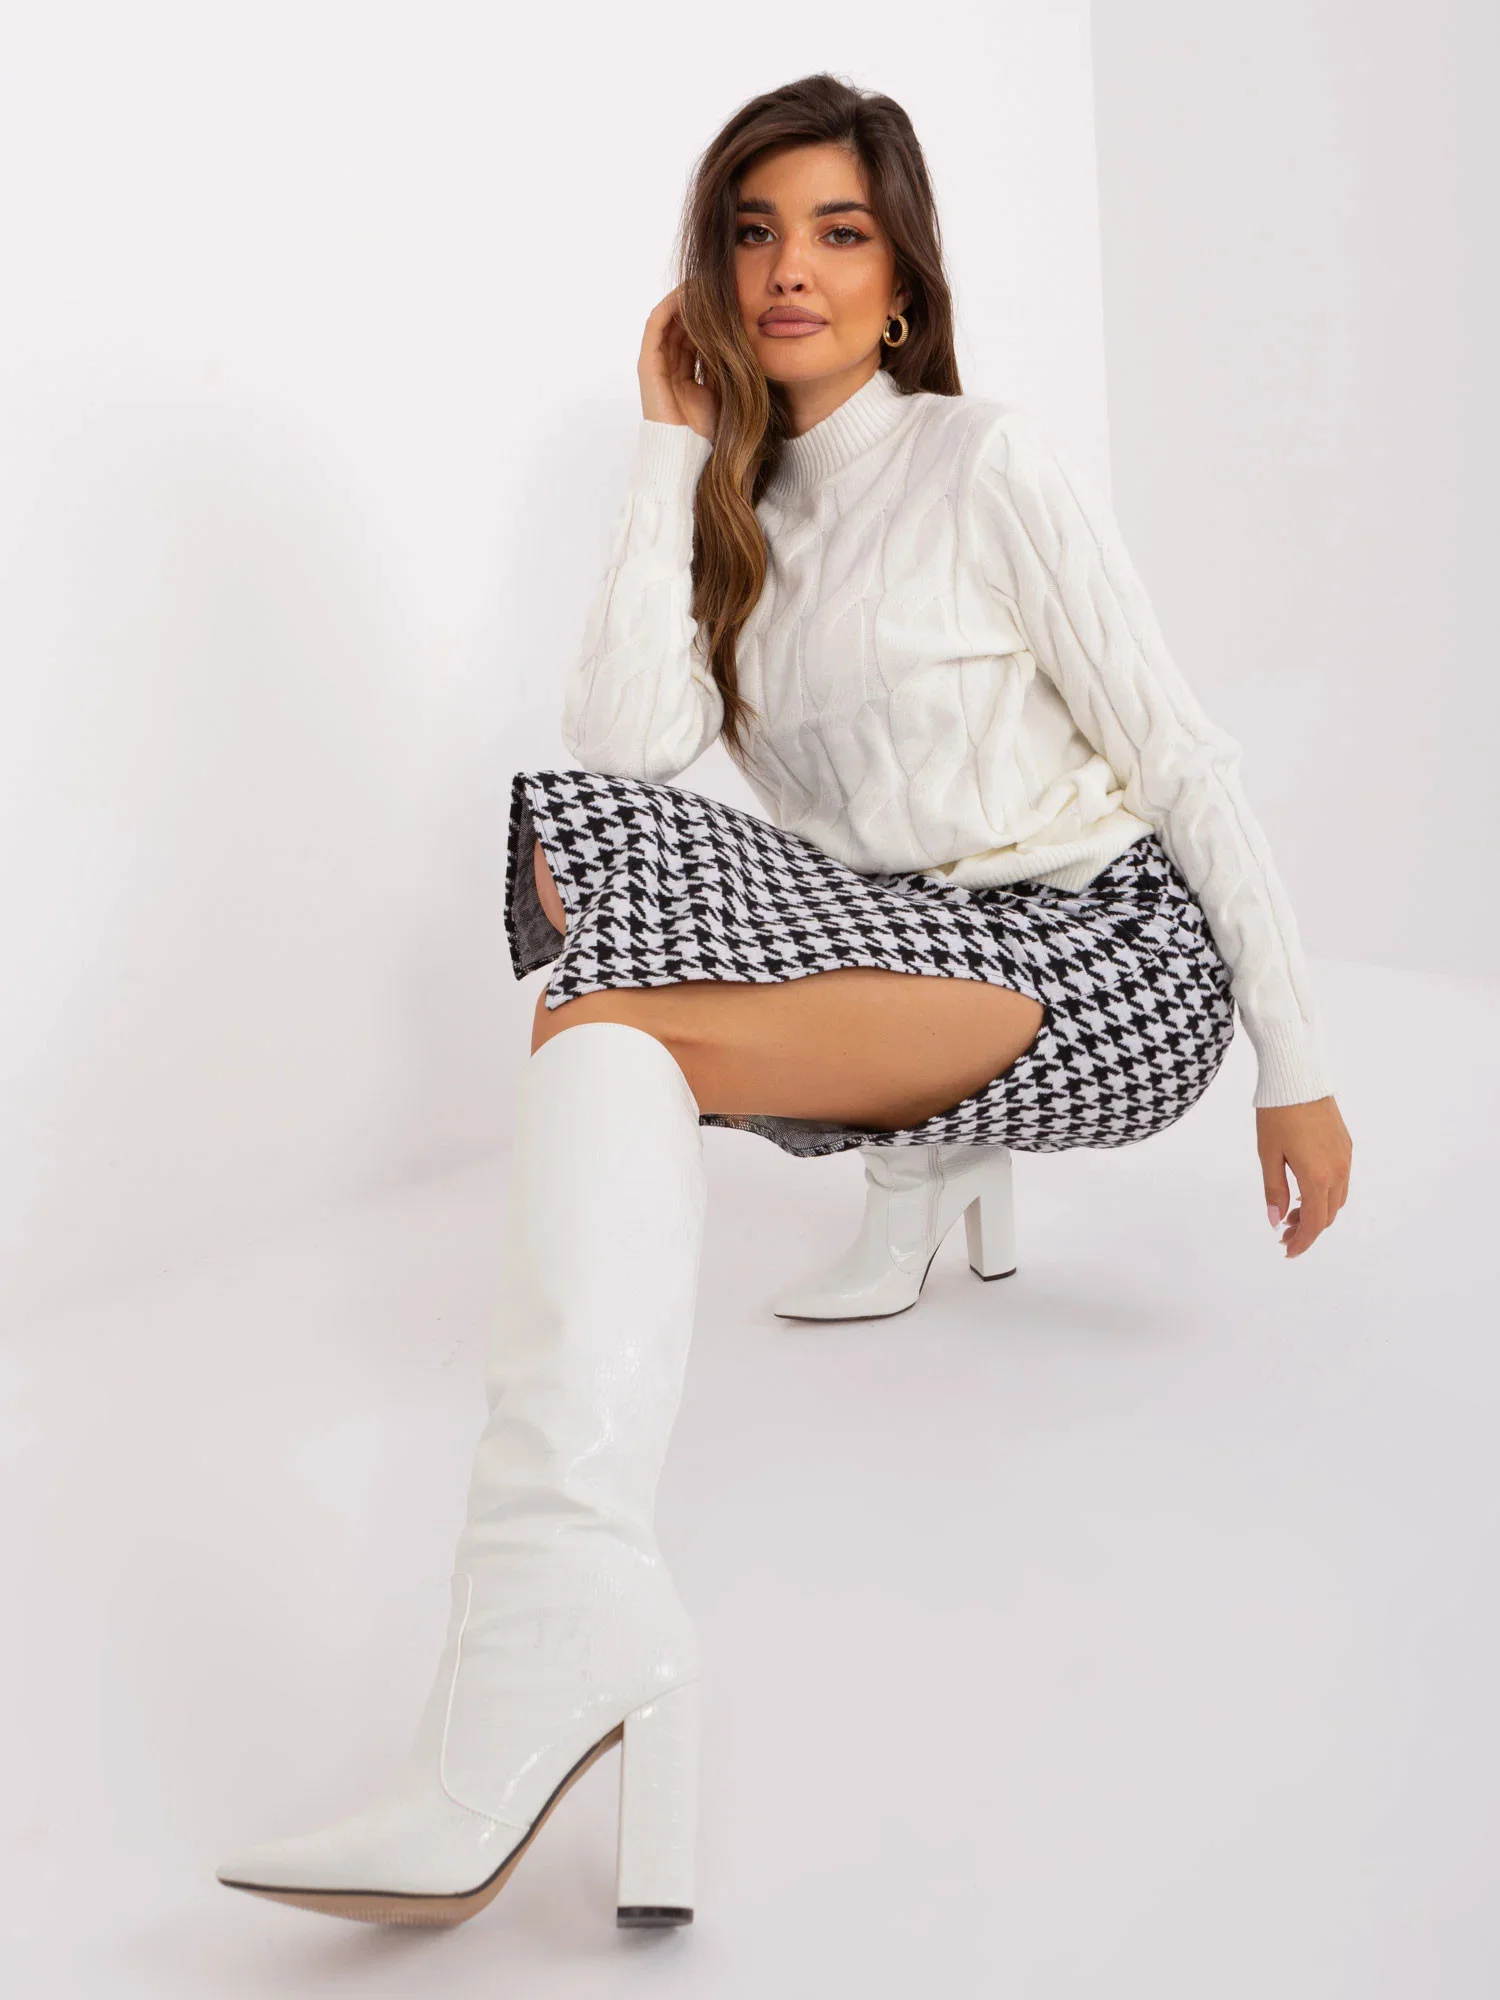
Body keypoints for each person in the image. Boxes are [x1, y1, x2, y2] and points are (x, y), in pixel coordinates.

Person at [216, 72, 1353, 1935]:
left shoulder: (987, 462)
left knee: (605, 1025)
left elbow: (1183, 755)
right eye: (752, 233)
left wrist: (1294, 1063)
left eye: (837, 232)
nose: (788, 271)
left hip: (1101, 950)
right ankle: (576, 1614)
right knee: (588, 841)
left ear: (902, 281)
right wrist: (667, 455)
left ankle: (553, 1643)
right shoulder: (735, 510)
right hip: (904, 928)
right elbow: (626, 746)